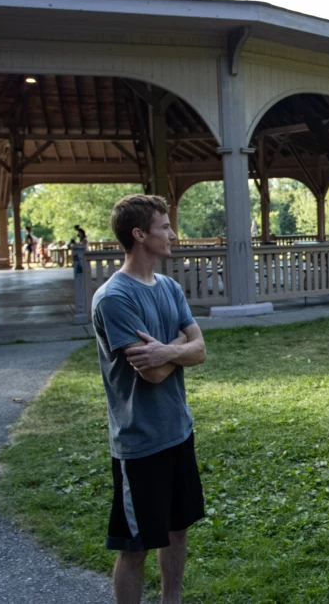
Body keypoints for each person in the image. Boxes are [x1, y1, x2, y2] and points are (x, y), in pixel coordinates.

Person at [90, 194, 207, 604]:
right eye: (164, 227)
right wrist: (180, 348)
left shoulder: (170, 287)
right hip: (140, 443)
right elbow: (154, 373)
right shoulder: (114, 298)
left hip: (178, 430)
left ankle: (170, 601)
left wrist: (168, 349)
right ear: (139, 235)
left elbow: (200, 350)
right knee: (135, 545)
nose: (173, 234)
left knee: (178, 528)